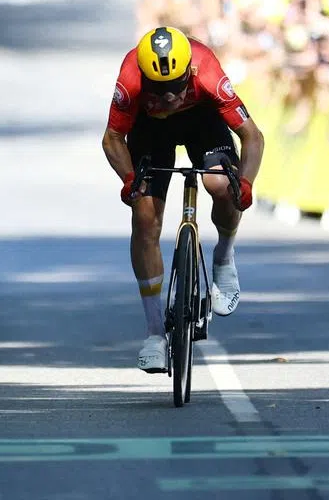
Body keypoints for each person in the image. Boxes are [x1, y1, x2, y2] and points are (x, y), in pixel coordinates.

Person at [102, 26, 264, 372]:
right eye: (159, 90)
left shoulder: (207, 69)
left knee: (222, 186)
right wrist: (129, 179)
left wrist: (245, 183)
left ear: (189, 72)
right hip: (150, 130)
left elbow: (253, 137)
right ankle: (154, 333)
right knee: (144, 216)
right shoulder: (131, 78)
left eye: (175, 89)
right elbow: (113, 138)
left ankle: (224, 254)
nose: (170, 98)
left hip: (202, 123)